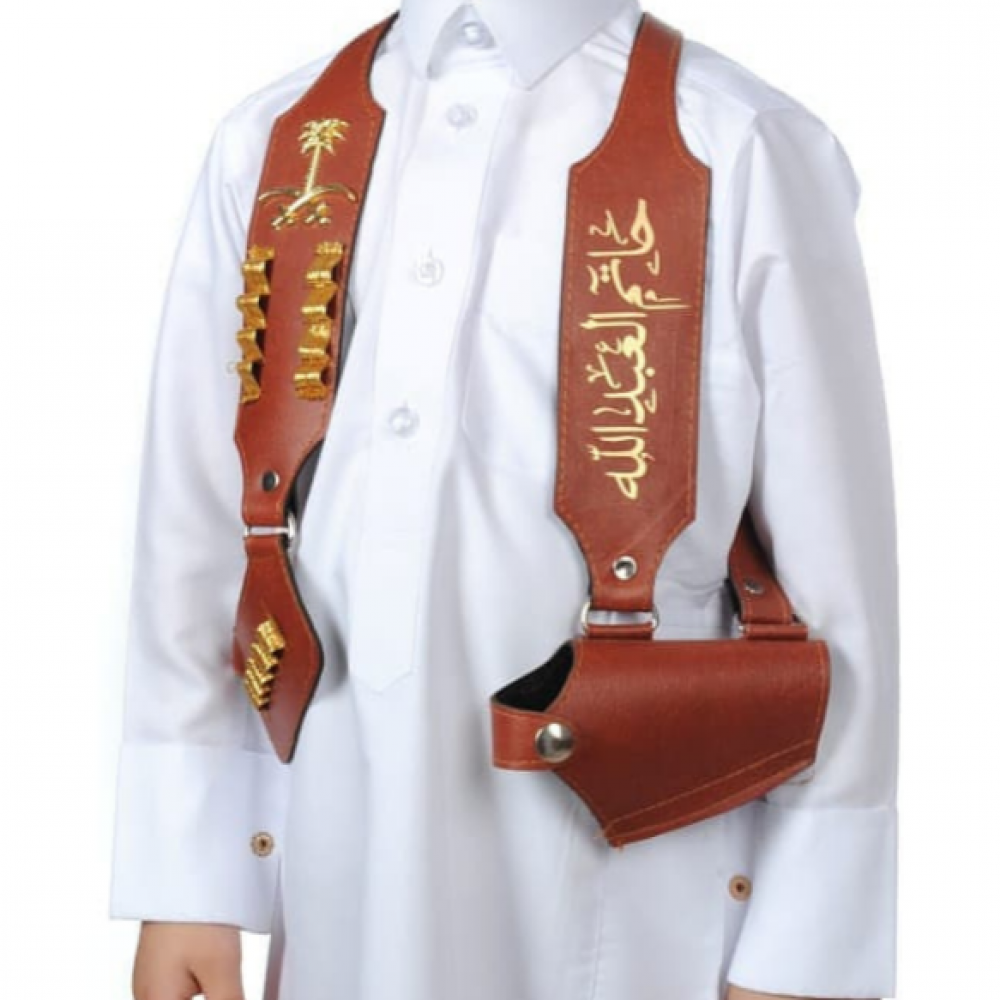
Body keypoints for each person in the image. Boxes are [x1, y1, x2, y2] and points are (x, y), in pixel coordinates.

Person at [107, 1, 900, 999]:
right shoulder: (278, 143)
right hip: (342, 837)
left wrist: (806, 952)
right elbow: (200, 520)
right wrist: (190, 871)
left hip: (635, 883)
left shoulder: (739, 143)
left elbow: (837, 582)